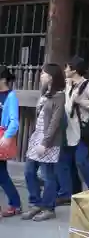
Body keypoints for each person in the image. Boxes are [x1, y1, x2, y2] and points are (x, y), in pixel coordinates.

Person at [22, 63, 66, 222]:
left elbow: (55, 122)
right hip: (37, 136)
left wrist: (45, 143)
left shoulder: (60, 96)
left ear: (51, 77)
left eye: (43, 73)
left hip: (49, 141)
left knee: (48, 175)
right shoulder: (44, 93)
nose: (41, 75)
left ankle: (49, 207)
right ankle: (35, 203)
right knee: (28, 171)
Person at [55, 56, 89, 205]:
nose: (65, 70)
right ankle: (69, 193)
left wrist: (80, 100)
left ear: (74, 69)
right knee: (64, 161)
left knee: (81, 161)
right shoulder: (67, 85)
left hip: (82, 129)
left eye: (67, 67)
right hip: (68, 129)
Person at [0, 66, 22, 217]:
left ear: (2, 79)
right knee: (2, 173)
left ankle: (15, 204)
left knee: (2, 174)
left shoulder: (11, 96)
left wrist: (7, 137)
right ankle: (15, 203)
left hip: (2, 135)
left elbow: (14, 121)